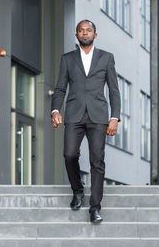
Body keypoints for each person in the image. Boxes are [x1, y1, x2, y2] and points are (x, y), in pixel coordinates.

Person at [51, 20, 121, 223]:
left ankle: (95, 208)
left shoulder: (107, 58)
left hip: (98, 116)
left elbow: (114, 90)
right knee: (69, 154)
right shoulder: (67, 59)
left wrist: (114, 117)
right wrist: (55, 110)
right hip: (74, 114)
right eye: (81, 30)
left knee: (97, 161)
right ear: (76, 35)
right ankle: (78, 190)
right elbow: (60, 88)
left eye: (89, 30)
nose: (85, 33)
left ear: (95, 35)